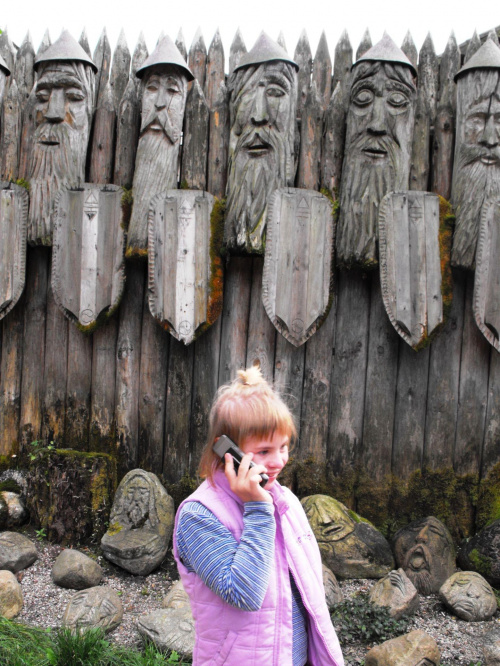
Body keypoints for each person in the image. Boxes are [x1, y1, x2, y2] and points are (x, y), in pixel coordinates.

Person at [173, 365, 344, 665]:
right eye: (264, 451)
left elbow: (309, 596)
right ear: (228, 450)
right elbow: (245, 594)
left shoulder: (284, 500)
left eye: (284, 446)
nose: (279, 461)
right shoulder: (198, 515)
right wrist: (258, 509)